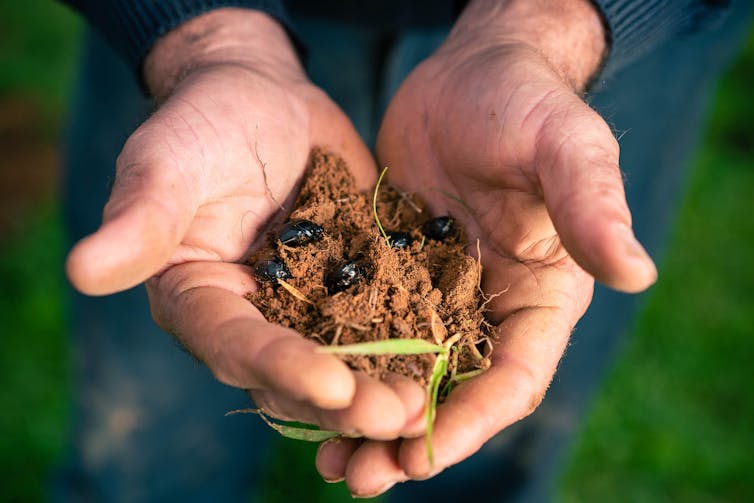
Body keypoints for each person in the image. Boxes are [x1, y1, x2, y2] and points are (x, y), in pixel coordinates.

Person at [55, 0, 751, 500]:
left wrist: (550, 21)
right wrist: (203, 35)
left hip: (610, 36)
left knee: (489, 425)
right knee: (145, 437)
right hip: (208, 37)